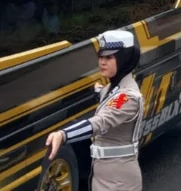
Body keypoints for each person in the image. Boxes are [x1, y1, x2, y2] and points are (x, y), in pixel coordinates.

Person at [46, 30, 144, 191]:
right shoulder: (113, 88)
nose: (102, 62)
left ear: (124, 59)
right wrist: (97, 91)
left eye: (109, 57)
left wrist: (64, 134)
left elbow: (100, 121)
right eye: (100, 57)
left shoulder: (128, 97)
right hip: (103, 176)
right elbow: (106, 95)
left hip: (119, 182)